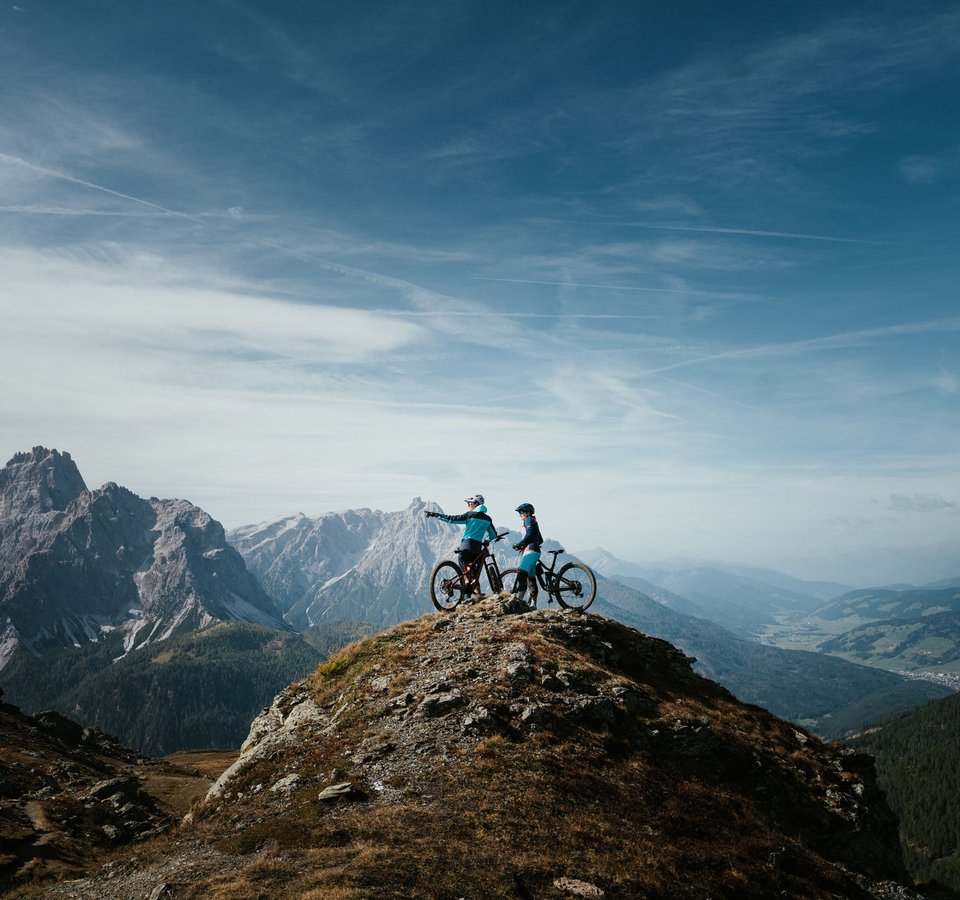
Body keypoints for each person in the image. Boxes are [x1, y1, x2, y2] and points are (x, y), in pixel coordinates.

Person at [424, 494, 497, 596]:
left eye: (469, 503)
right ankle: (474, 596)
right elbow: (493, 535)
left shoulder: (469, 515)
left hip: (466, 545)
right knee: (474, 574)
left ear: (475, 504)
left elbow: (451, 519)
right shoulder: (488, 519)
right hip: (477, 547)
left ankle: (466, 582)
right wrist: (487, 540)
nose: (468, 505)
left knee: (464, 568)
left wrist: (436, 515)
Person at [511, 502, 543, 604]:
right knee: (531, 578)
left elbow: (529, 535)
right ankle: (534, 604)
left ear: (527, 512)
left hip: (530, 552)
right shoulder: (534, 521)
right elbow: (540, 539)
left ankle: (520, 599)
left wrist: (519, 544)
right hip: (535, 551)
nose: (520, 514)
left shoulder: (528, 520)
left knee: (522, 574)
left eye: (521, 512)